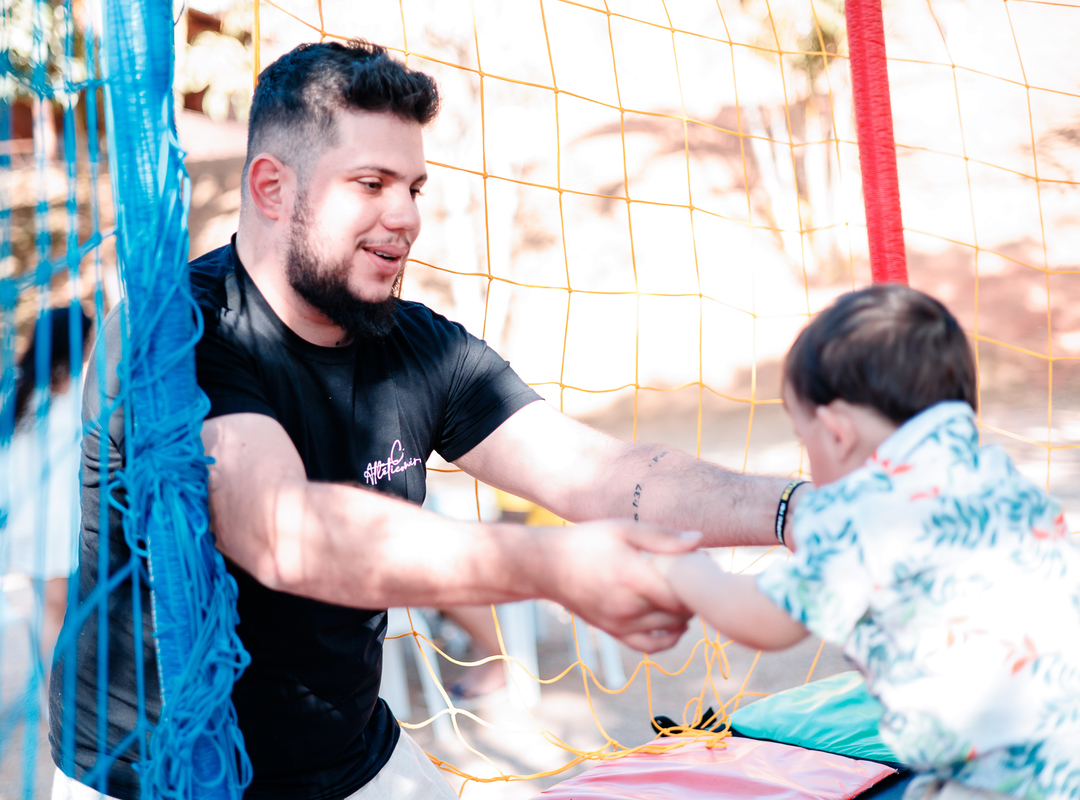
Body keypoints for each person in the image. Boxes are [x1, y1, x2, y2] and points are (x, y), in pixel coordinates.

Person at [50, 40, 810, 800]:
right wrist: (556, 566)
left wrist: (799, 510)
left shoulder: (417, 344)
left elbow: (601, 474)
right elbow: (285, 533)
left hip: (350, 757)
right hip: (157, 778)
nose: (406, 215)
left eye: (413, 187)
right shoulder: (174, 337)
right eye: (371, 183)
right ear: (272, 188)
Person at [655, 285, 1080, 800]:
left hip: (1003, 780)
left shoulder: (867, 507)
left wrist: (682, 570)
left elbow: (765, 619)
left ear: (836, 433)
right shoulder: (992, 473)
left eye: (804, 440)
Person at [0, 306, 92, 665]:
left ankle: (59, 690)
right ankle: (54, 693)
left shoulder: (58, 384)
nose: (91, 345)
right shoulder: (30, 386)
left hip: (50, 517)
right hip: (46, 519)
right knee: (56, 611)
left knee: (58, 610)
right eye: (87, 338)